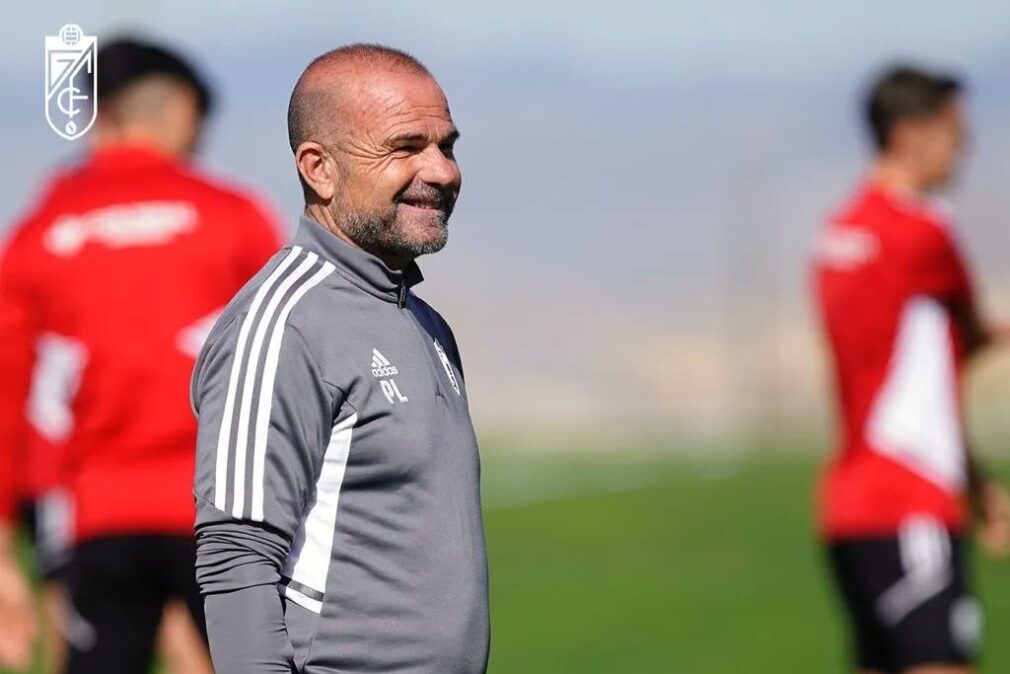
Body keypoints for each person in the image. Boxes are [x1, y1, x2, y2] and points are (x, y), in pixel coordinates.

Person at [191, 43, 489, 674]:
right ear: (318, 168)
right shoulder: (282, 324)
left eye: (447, 146)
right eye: (405, 148)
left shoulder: (420, 320)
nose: (441, 171)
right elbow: (236, 553)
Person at [0, 38, 280, 673]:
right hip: (225, 506)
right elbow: (285, 366)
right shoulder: (234, 219)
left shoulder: (38, 234)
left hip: (89, 515)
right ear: (182, 110)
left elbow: (7, 389)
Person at [813, 64, 1010, 674]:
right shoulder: (923, 236)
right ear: (910, 135)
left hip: (849, 509)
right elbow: (965, 345)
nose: (966, 148)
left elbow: (907, 379)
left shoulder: (837, 235)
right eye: (956, 132)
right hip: (910, 502)